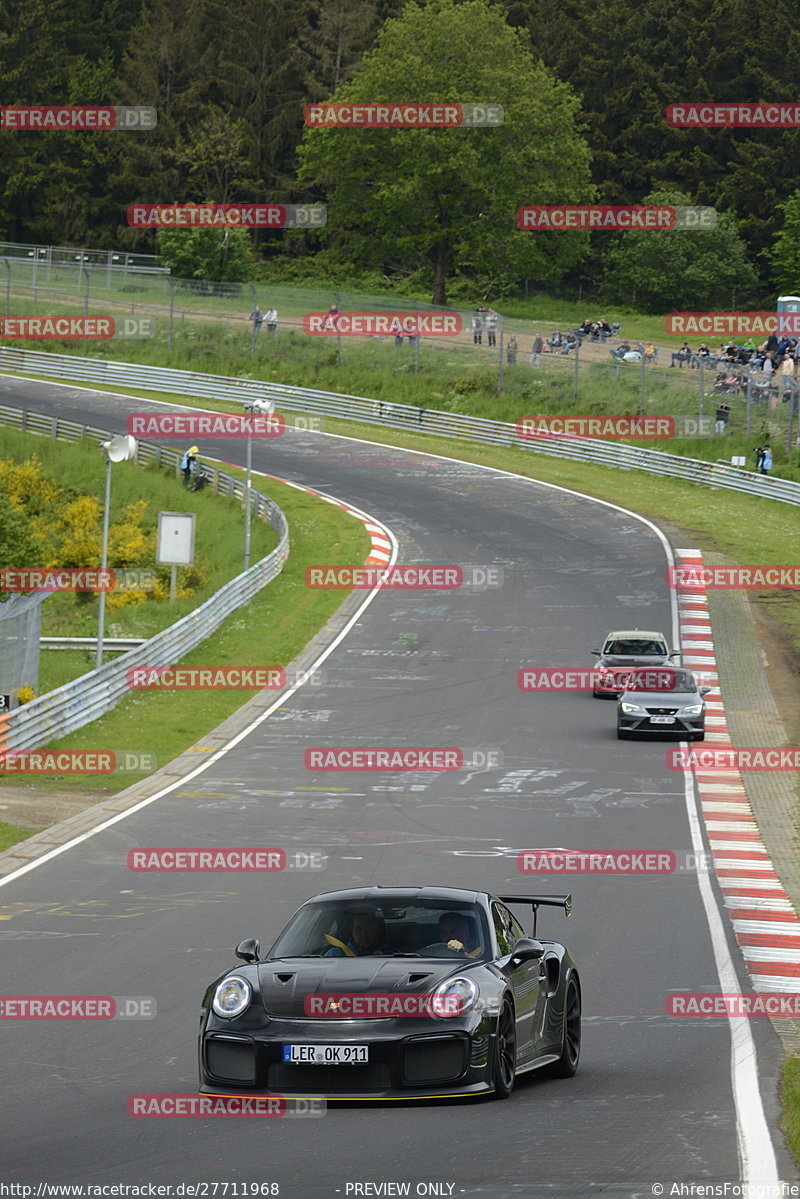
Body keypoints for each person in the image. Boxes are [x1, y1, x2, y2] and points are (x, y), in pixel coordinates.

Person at [324, 911, 391, 957]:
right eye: (359, 929)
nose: (363, 934)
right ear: (352, 931)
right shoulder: (334, 955)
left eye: (369, 929)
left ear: (377, 931)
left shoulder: (391, 956)